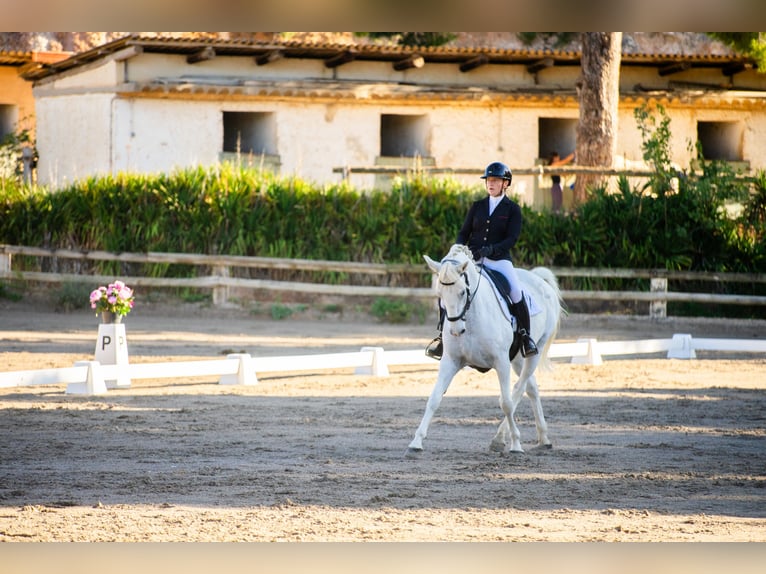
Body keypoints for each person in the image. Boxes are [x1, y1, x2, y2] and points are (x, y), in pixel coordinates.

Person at [427, 161, 538, 360]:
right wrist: (458, 248)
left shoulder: (512, 209)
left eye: (495, 180)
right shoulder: (477, 206)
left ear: (505, 183)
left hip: (499, 261)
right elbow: (463, 233)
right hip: (472, 261)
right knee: (448, 289)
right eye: (488, 180)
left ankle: (525, 336)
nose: (491, 184)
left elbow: (511, 238)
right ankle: (442, 339)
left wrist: (493, 249)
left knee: (515, 291)